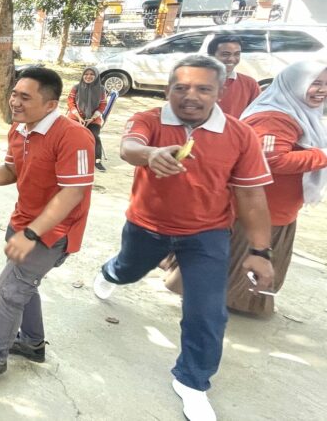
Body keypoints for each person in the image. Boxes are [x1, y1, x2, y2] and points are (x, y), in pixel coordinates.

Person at [92, 55, 274, 421]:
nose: (191, 96)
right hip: (146, 227)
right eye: (181, 87)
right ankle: (110, 272)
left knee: (208, 313)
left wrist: (260, 250)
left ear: (220, 92)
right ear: (167, 90)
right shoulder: (149, 120)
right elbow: (129, 147)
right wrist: (150, 154)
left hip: (207, 236)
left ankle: (192, 381)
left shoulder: (240, 135)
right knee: (126, 271)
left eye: (203, 88)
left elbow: (252, 196)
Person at [0, 67, 94, 385]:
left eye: (24, 97)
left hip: (54, 230)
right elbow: (11, 171)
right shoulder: (19, 129)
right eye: (14, 93)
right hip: (23, 221)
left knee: (10, 289)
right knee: (22, 286)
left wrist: (33, 233)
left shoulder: (74, 136)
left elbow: (73, 192)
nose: (14, 101)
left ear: (49, 104)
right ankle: (32, 343)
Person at [229, 61, 327, 315]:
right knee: (244, 261)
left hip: (276, 208)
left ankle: (238, 303)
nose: (322, 90)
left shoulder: (299, 112)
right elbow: (272, 160)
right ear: (296, 83)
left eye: (326, 84)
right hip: (261, 208)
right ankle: (228, 305)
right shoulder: (274, 117)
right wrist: (323, 155)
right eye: (315, 83)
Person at [208, 35, 260, 118]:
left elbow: (256, 115)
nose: (231, 59)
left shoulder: (250, 84)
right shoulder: (196, 82)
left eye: (236, 54)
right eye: (225, 54)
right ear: (211, 56)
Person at [66, 67, 108, 171]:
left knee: (94, 135)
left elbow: (102, 105)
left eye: (91, 74)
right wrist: (79, 117)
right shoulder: (76, 87)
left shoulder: (101, 89)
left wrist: (92, 118)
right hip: (76, 117)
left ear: (96, 76)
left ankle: (97, 160)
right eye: (86, 74)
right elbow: (70, 103)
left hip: (93, 118)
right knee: (71, 134)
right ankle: (69, 158)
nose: (88, 76)